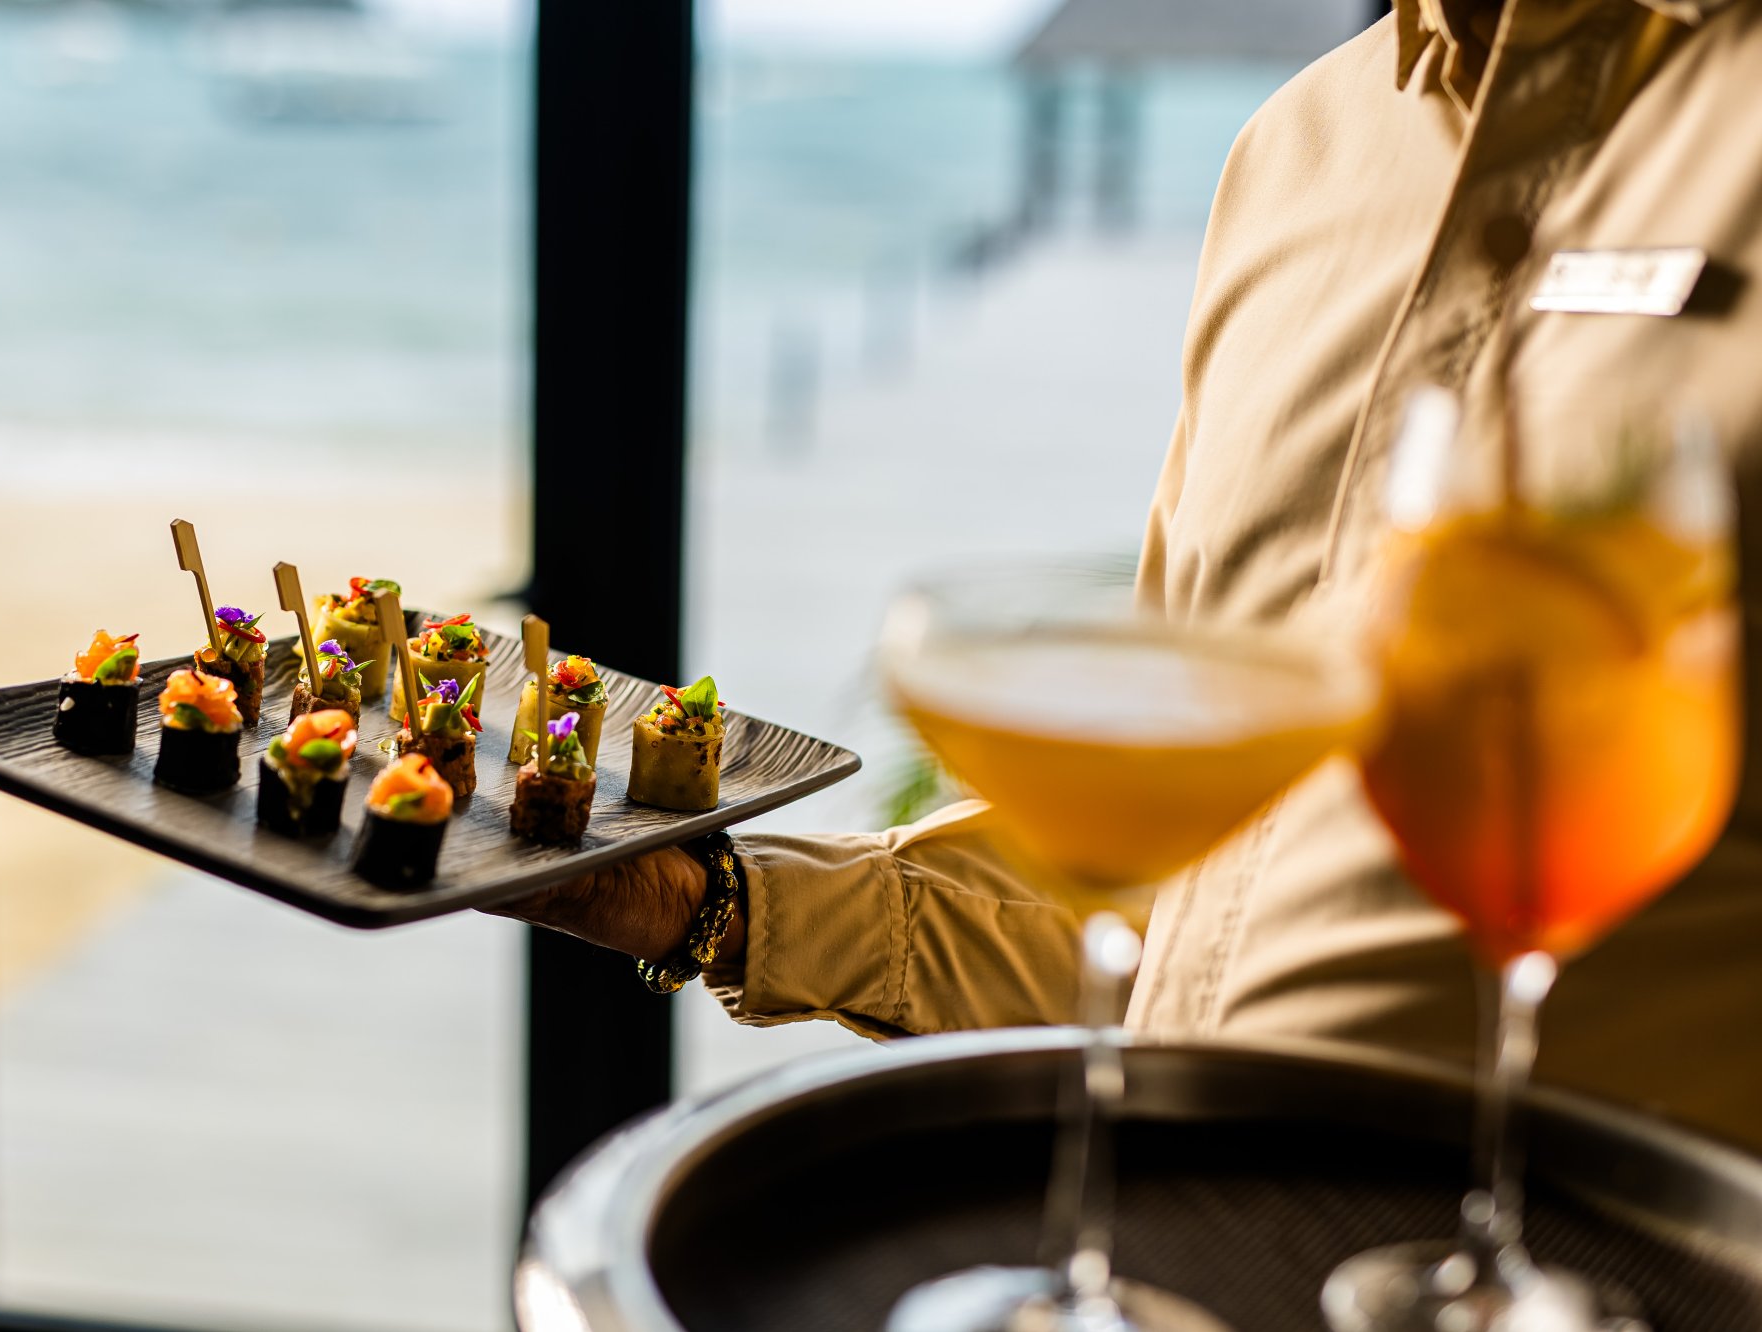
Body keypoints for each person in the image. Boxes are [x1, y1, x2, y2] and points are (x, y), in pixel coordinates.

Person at [500, 0, 1762, 1150]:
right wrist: (708, 896)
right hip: (1179, 1239)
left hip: (1615, 1273)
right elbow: (1178, 896)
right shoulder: (1300, 154)